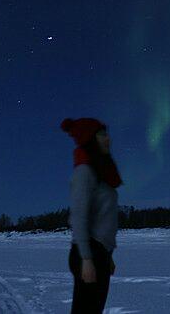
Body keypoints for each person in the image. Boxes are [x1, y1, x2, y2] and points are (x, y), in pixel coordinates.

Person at [61, 117, 123, 314]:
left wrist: (108, 256)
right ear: (90, 139)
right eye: (102, 135)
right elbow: (79, 218)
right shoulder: (85, 172)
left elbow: (103, 219)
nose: (108, 139)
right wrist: (86, 259)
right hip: (87, 252)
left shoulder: (102, 172)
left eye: (107, 134)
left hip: (100, 253)